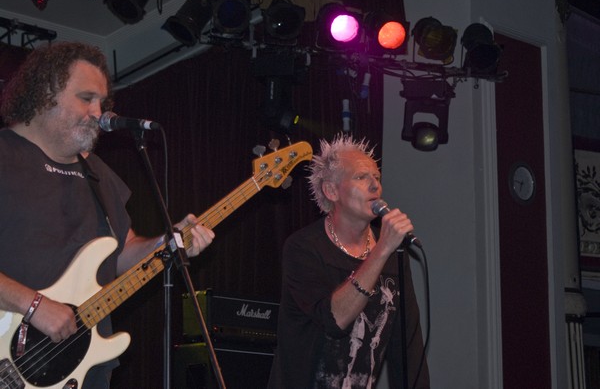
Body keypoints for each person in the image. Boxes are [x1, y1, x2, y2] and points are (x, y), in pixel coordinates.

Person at [0, 41, 215, 388]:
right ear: (46, 93)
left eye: (102, 102)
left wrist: (167, 242)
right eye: (86, 98)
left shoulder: (99, 175)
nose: (98, 112)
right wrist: (33, 305)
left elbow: (122, 252)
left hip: (82, 368)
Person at [267, 134, 429, 388]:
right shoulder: (304, 248)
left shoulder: (393, 254)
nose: (375, 186)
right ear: (331, 191)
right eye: (361, 177)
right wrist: (382, 250)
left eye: (376, 177)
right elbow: (335, 320)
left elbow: (407, 347)